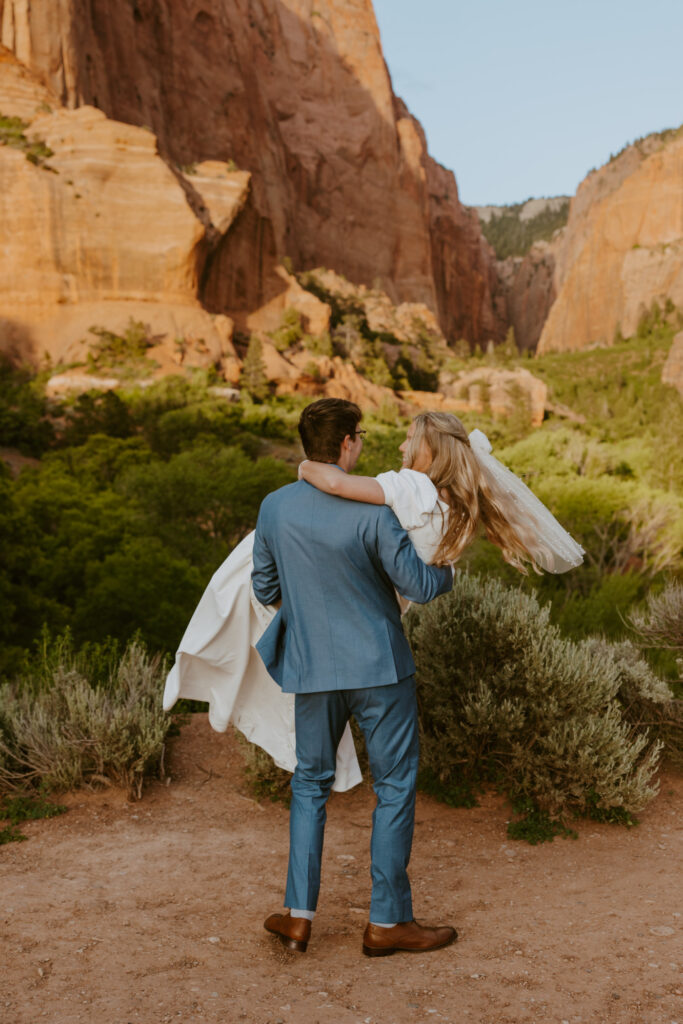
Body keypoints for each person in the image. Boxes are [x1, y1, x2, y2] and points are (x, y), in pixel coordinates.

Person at [252, 398, 456, 957]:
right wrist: (449, 565)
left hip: (312, 669)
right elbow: (418, 584)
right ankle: (387, 921)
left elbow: (265, 589)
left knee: (309, 784)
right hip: (381, 667)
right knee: (393, 785)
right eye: (359, 437)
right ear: (348, 444)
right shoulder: (376, 509)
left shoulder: (274, 508)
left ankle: (297, 915)